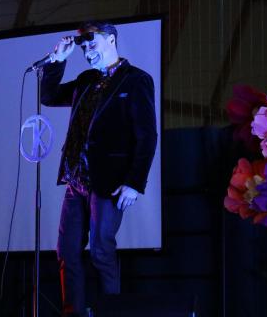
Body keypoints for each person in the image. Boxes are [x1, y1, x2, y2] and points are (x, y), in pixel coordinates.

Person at [41, 20, 157, 317]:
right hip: (76, 179)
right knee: (67, 251)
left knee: (101, 250)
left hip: (109, 181)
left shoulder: (135, 80)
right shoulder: (86, 79)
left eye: (92, 43)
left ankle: (111, 312)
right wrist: (57, 61)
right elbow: (49, 97)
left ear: (111, 40)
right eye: (83, 47)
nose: (88, 50)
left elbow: (147, 135)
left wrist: (135, 182)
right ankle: (73, 312)